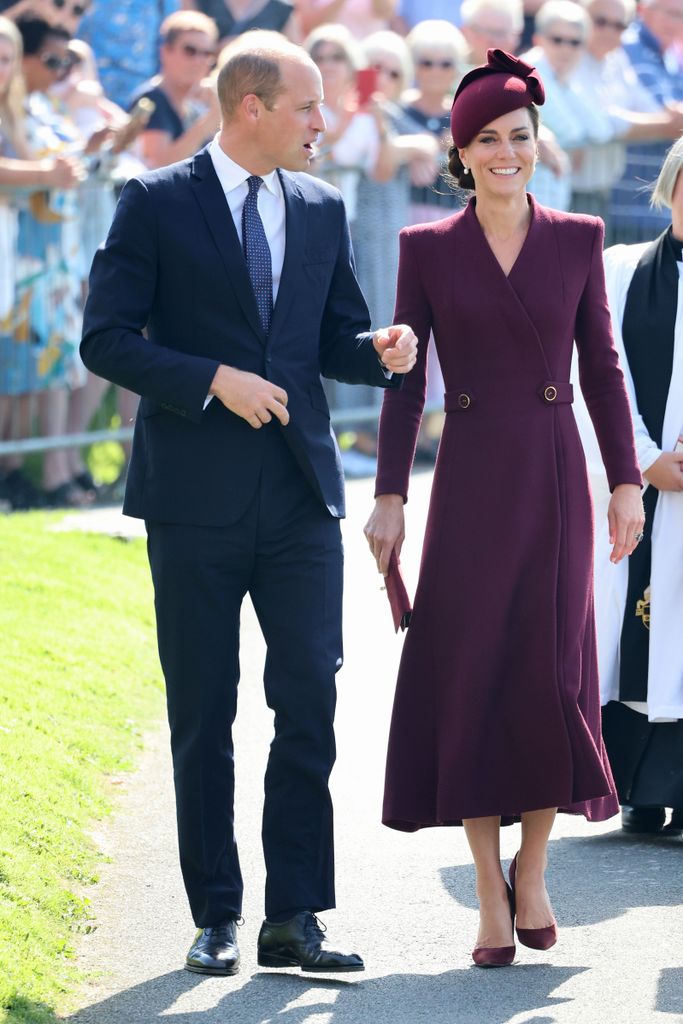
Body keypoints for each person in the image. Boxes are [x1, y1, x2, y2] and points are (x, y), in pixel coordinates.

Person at [81, 29, 417, 976]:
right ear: (253, 108)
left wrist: (379, 350)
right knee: (203, 711)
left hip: (301, 495)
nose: (326, 122)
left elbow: (336, 337)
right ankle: (216, 915)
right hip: (192, 502)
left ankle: (295, 917)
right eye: (310, 105)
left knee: (309, 694)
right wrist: (211, 379)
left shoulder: (321, 205)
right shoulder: (152, 201)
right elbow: (104, 340)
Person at [364, 47, 644, 968]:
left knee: (548, 675)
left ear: (538, 141)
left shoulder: (578, 237)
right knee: (473, 677)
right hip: (474, 479)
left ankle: (533, 867)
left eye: (518, 136)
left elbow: (602, 370)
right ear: (461, 153)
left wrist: (624, 481)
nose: (504, 153)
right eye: (485, 140)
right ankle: (488, 891)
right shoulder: (426, 250)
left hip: (558, 477)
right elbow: (405, 385)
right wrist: (391, 497)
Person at [580, 138, 683, 837]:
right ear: (669, 187)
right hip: (640, 487)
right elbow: (593, 370)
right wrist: (642, 460)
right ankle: (637, 791)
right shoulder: (621, 272)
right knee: (639, 635)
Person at [128, 9, 221, 170]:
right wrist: (210, 120)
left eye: (207, 53)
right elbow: (157, 166)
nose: (199, 61)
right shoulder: (150, 99)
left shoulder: (195, 105)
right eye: (190, 50)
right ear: (165, 51)